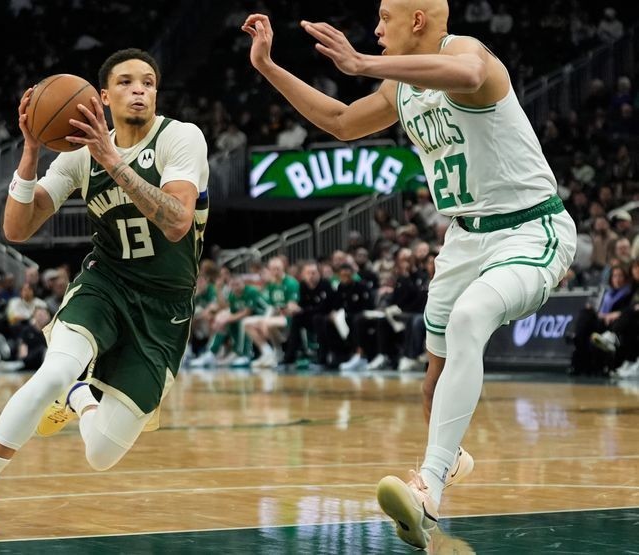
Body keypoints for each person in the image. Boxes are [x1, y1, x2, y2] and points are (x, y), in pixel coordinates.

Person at [243, 1, 576, 548]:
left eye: (384, 18)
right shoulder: (401, 88)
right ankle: (453, 458)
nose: (375, 30)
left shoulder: (468, 54)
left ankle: (428, 491)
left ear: (417, 20)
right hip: (464, 239)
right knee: (431, 384)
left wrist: (363, 66)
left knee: (471, 318)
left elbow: (467, 75)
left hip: (529, 228)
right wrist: (268, 68)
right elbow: (342, 123)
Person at [0, 48, 208, 540]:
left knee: (102, 454)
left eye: (148, 82)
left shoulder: (181, 137)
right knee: (55, 369)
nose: (140, 90)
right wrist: (29, 151)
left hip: (166, 306)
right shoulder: (79, 155)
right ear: (103, 97)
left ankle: (81, 396)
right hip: (105, 284)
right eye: (127, 82)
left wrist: (113, 162)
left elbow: (177, 221)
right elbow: (17, 228)